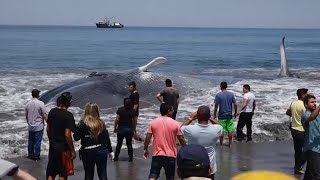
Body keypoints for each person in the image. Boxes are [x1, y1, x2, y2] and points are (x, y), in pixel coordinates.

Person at [143, 103, 186, 180]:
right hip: (170, 155)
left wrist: (145, 149)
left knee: (153, 175)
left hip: (157, 154)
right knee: (170, 177)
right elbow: (181, 139)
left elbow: (148, 138)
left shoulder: (153, 122)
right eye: (172, 110)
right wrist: (186, 149)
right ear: (168, 111)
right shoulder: (176, 123)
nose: (173, 111)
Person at [73, 102, 114, 180]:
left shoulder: (82, 124)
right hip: (101, 150)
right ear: (96, 110)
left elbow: (76, 138)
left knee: (88, 176)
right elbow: (106, 139)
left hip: (87, 151)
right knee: (103, 175)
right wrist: (110, 151)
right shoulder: (101, 123)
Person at [181, 106, 222, 180]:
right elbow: (220, 125)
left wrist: (191, 118)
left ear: (197, 116)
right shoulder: (216, 130)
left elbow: (181, 128)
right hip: (209, 165)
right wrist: (210, 118)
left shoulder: (191, 130)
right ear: (209, 116)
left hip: (193, 164)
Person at [46, 92, 76, 180]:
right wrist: (72, 150)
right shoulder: (68, 115)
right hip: (63, 149)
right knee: (62, 173)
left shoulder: (52, 111)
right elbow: (67, 135)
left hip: (53, 146)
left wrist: (51, 140)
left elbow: (48, 129)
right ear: (69, 102)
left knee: (51, 172)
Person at [286, 88, 308, 174]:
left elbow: (288, 112)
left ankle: (297, 167)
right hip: (302, 129)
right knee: (307, 150)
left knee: (297, 150)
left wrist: (295, 115)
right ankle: (298, 167)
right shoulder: (303, 105)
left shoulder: (293, 103)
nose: (308, 96)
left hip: (294, 129)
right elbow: (308, 116)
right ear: (303, 95)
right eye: (307, 94)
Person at [25, 89, 48, 161]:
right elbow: (45, 115)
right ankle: (37, 156)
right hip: (39, 125)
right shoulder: (41, 103)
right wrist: (49, 123)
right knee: (37, 142)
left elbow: (26, 115)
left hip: (30, 125)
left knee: (31, 141)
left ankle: (30, 155)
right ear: (38, 95)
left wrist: (28, 122)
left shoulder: (27, 104)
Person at [301, 94, 320, 180]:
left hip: (318, 147)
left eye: (315, 102)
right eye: (312, 102)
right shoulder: (306, 115)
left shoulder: (318, 115)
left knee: (309, 175)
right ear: (305, 104)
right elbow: (312, 117)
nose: (314, 104)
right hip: (311, 149)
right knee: (316, 176)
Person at [213, 82, 237, 148]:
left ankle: (221, 144)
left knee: (222, 130)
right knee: (230, 130)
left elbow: (216, 106)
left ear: (220, 87)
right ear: (226, 87)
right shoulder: (231, 94)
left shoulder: (218, 95)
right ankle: (230, 144)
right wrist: (235, 112)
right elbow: (235, 104)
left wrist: (214, 114)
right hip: (229, 114)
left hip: (221, 115)